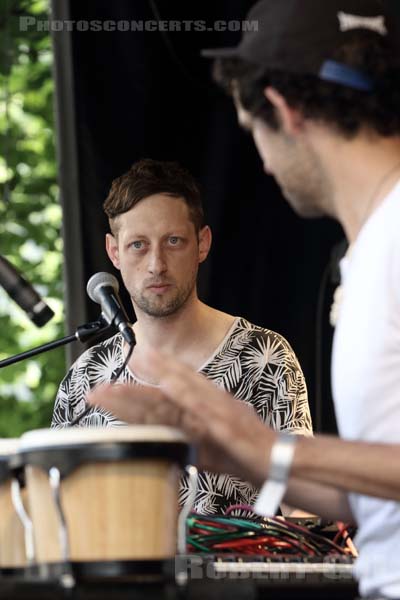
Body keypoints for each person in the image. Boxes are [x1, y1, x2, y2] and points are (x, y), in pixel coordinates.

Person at [88, 1, 400, 598]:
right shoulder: (371, 250)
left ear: (282, 109)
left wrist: (268, 447)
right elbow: (371, 499)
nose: (261, 160)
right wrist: (230, 456)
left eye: (252, 130)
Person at [52, 158, 312, 515]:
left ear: (202, 243)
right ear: (114, 252)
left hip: (244, 570)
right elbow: (59, 510)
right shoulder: (86, 377)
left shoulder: (263, 356)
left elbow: (303, 504)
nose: (156, 264)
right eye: (138, 245)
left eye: (173, 241)